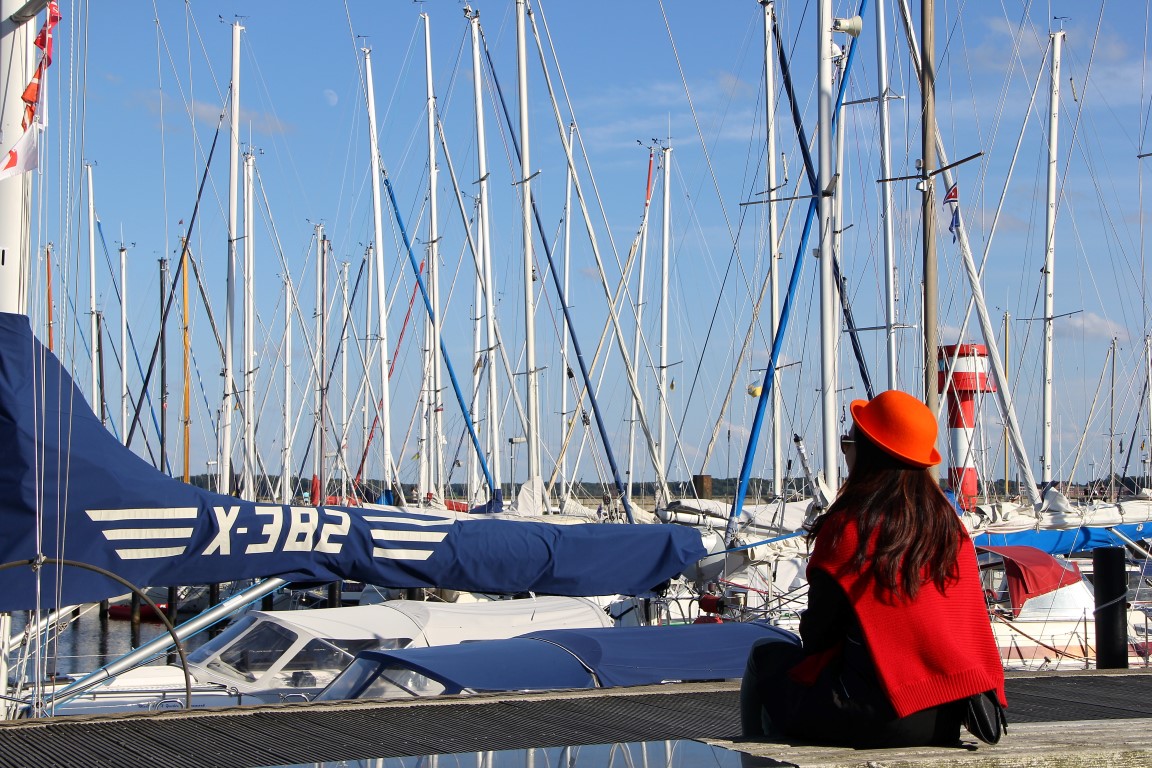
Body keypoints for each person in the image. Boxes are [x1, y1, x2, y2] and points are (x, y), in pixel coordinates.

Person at [739, 389, 1006, 747]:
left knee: (763, 657)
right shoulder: (950, 528)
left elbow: (818, 635)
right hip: (944, 719)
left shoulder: (850, 528)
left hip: (868, 716)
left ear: (868, 452)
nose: (845, 449)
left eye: (849, 440)